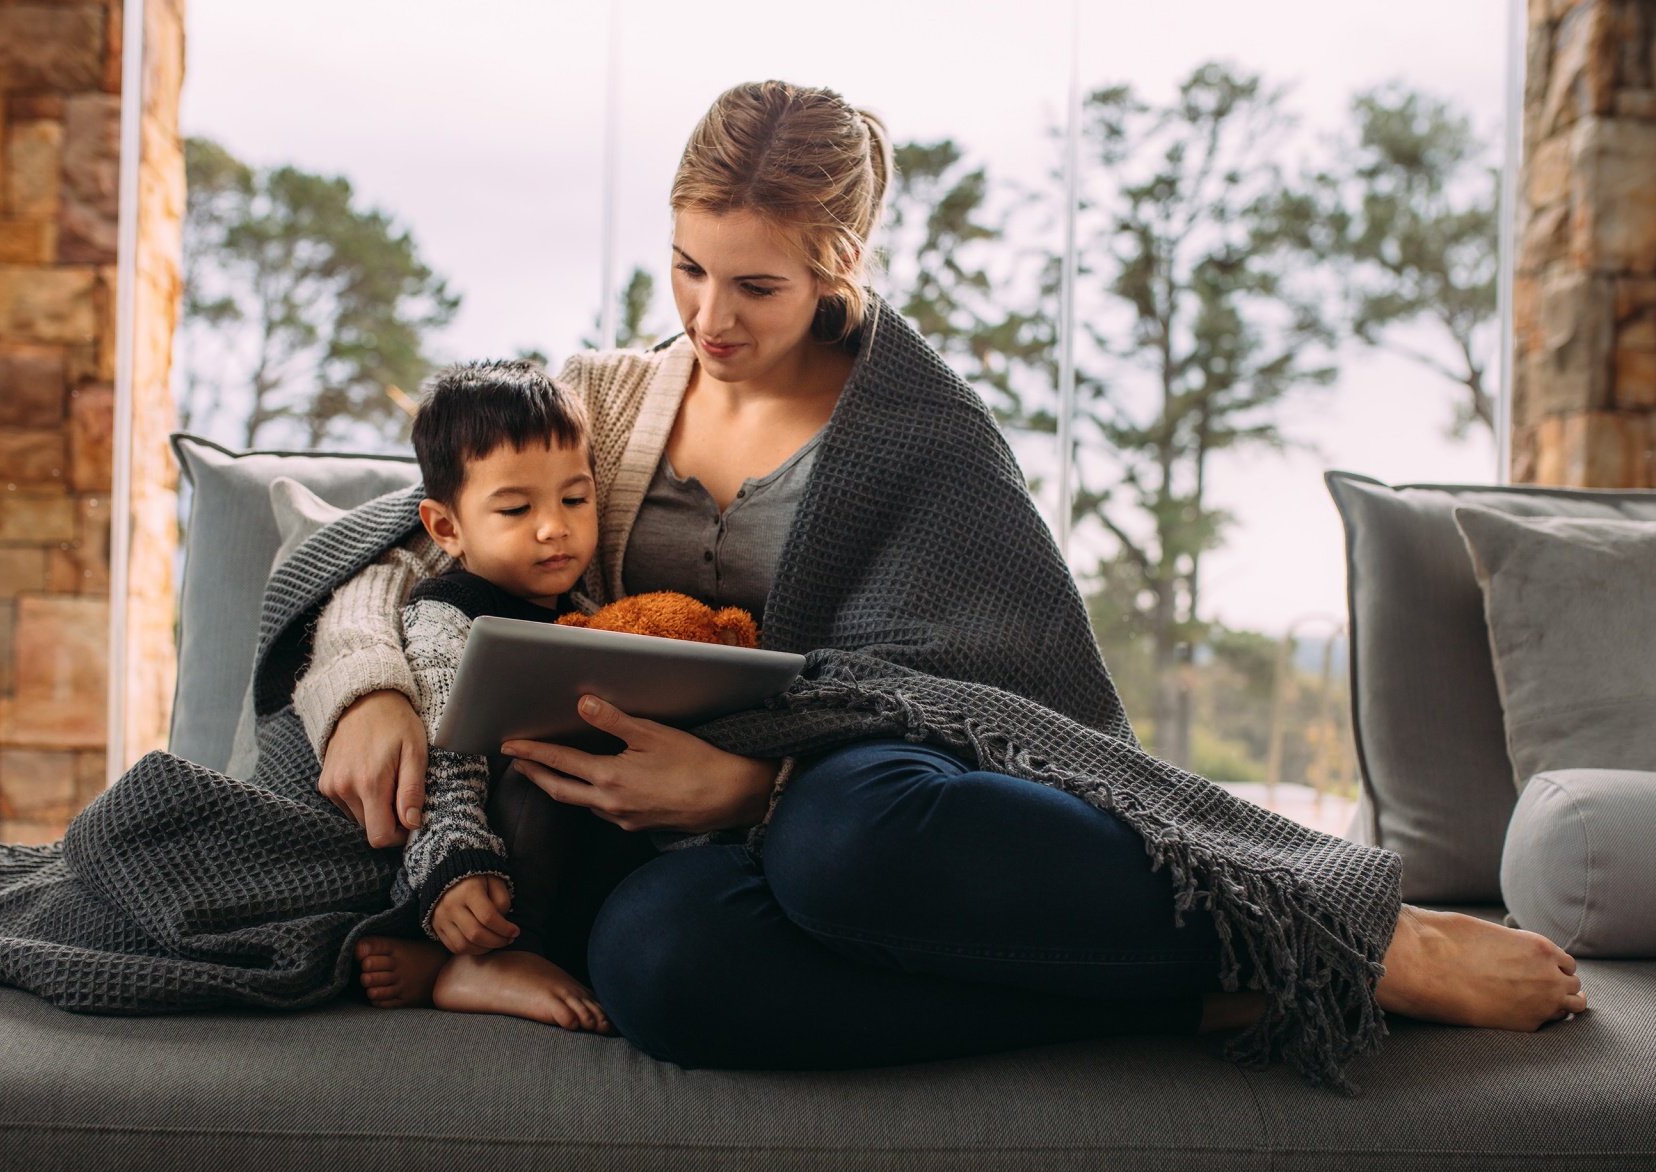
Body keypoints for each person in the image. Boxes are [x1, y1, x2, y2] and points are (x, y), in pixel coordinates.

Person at [304, 81, 1585, 1086]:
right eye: (688, 267)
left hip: (861, 790)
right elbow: (390, 547)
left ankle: (1356, 934)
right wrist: (366, 688)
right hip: (653, 840)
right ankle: (1187, 993)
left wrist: (760, 780)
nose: (709, 317)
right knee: (662, 966)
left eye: (757, 284)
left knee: (844, 836)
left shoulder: (923, 435)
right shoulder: (603, 396)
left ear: (839, 269)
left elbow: (1005, 706)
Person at [347, 359, 609, 1033]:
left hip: (576, 843)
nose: (554, 527)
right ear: (445, 528)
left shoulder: (590, 614)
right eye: (517, 509)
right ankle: (485, 961)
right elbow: (443, 754)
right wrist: (456, 866)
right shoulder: (449, 613)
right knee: (538, 774)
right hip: (476, 854)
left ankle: (453, 965)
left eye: (575, 500)